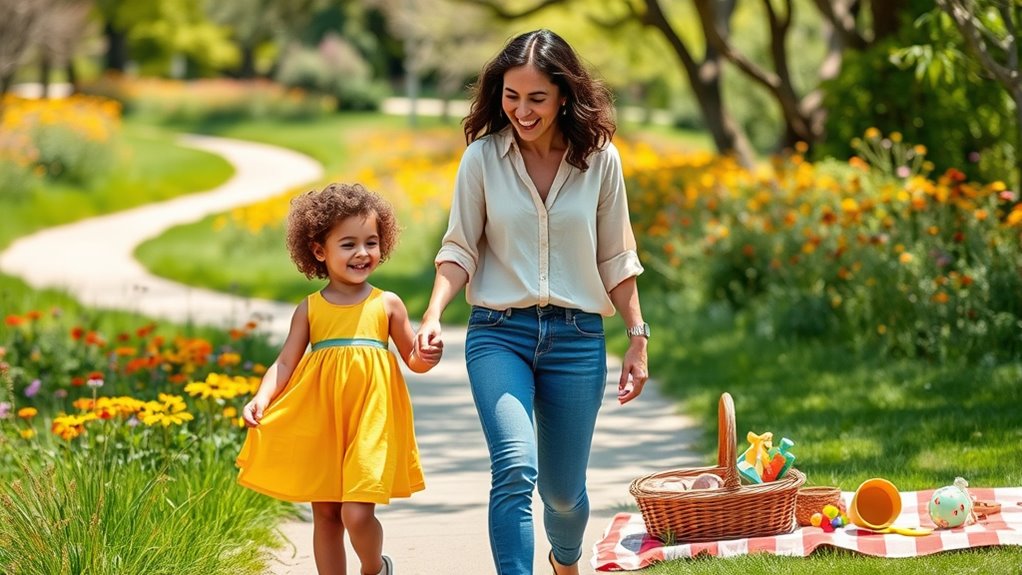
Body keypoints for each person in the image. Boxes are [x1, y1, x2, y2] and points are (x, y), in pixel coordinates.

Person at [414, 29, 650, 575]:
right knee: (515, 467)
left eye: (536, 98)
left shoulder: (600, 161)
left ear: (564, 94)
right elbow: (459, 245)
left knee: (564, 495)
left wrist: (637, 336)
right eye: (511, 96)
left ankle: (564, 561)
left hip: (577, 339)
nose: (521, 110)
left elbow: (617, 256)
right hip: (499, 333)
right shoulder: (481, 159)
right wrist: (432, 314)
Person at [237, 182, 442, 575]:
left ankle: (374, 567)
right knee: (327, 515)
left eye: (371, 242)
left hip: (372, 421)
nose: (362, 253)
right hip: (323, 421)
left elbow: (413, 359)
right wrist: (261, 398)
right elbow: (284, 363)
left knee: (357, 514)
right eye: (348, 244)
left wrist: (426, 356)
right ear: (319, 251)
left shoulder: (387, 303)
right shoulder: (310, 309)